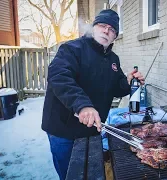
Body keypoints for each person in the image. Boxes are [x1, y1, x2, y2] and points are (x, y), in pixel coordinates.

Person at [41, 9, 145, 180]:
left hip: (92, 130)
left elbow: (116, 88)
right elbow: (59, 77)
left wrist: (127, 82)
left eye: (112, 30)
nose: (106, 31)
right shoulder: (71, 49)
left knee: (91, 174)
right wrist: (83, 106)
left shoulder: (113, 59)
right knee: (71, 175)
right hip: (63, 129)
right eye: (103, 26)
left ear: (115, 37)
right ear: (93, 27)